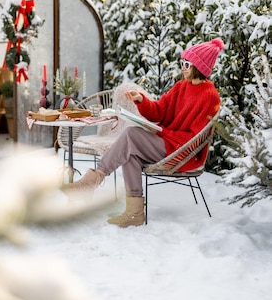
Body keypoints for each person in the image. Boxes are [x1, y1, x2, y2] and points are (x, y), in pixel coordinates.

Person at [62, 38, 224, 227]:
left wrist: (163, 133)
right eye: (182, 62)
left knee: (131, 134)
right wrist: (141, 100)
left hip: (181, 152)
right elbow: (159, 111)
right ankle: (134, 213)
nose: (183, 67)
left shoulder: (209, 96)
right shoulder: (181, 86)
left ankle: (90, 182)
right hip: (167, 143)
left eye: (187, 64)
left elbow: (196, 138)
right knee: (131, 154)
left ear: (200, 67)